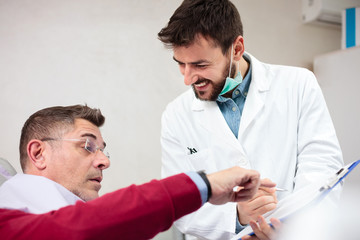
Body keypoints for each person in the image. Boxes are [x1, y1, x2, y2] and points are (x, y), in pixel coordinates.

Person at [157, 0, 343, 239]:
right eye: (181, 64)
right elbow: (178, 204)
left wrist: (296, 228)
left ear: (236, 49)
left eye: (200, 65)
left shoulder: (298, 85)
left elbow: (322, 167)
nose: (188, 78)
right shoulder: (176, 115)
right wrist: (237, 216)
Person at [0, 104, 273, 240]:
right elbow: (83, 225)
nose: (104, 162)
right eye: (87, 146)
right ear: (38, 153)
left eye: (103, 151)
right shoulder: (11, 220)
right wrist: (206, 185)